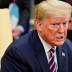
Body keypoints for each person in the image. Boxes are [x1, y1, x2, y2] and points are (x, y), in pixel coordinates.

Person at [1, 0, 72, 72]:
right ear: (39, 25)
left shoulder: (68, 46)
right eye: (55, 24)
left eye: (64, 23)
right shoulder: (17, 53)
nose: (62, 30)